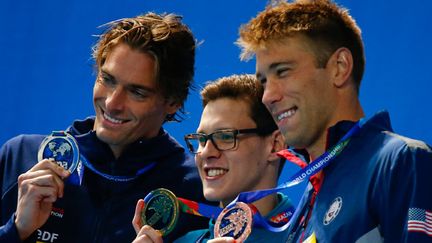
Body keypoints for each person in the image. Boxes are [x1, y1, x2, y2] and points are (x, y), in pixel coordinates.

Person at [0, 12, 209, 243]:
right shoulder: (21, 157)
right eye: (107, 80)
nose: (112, 103)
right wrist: (16, 230)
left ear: (173, 102)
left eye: (136, 92)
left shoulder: (196, 192)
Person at [237, 0, 432, 242]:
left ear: (339, 67)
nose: (267, 96)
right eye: (264, 81)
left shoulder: (400, 161)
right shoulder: (311, 197)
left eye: (283, 71)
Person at [131, 74, 295, 242]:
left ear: (275, 145)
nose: (206, 152)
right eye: (201, 140)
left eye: (225, 137)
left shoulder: (311, 234)